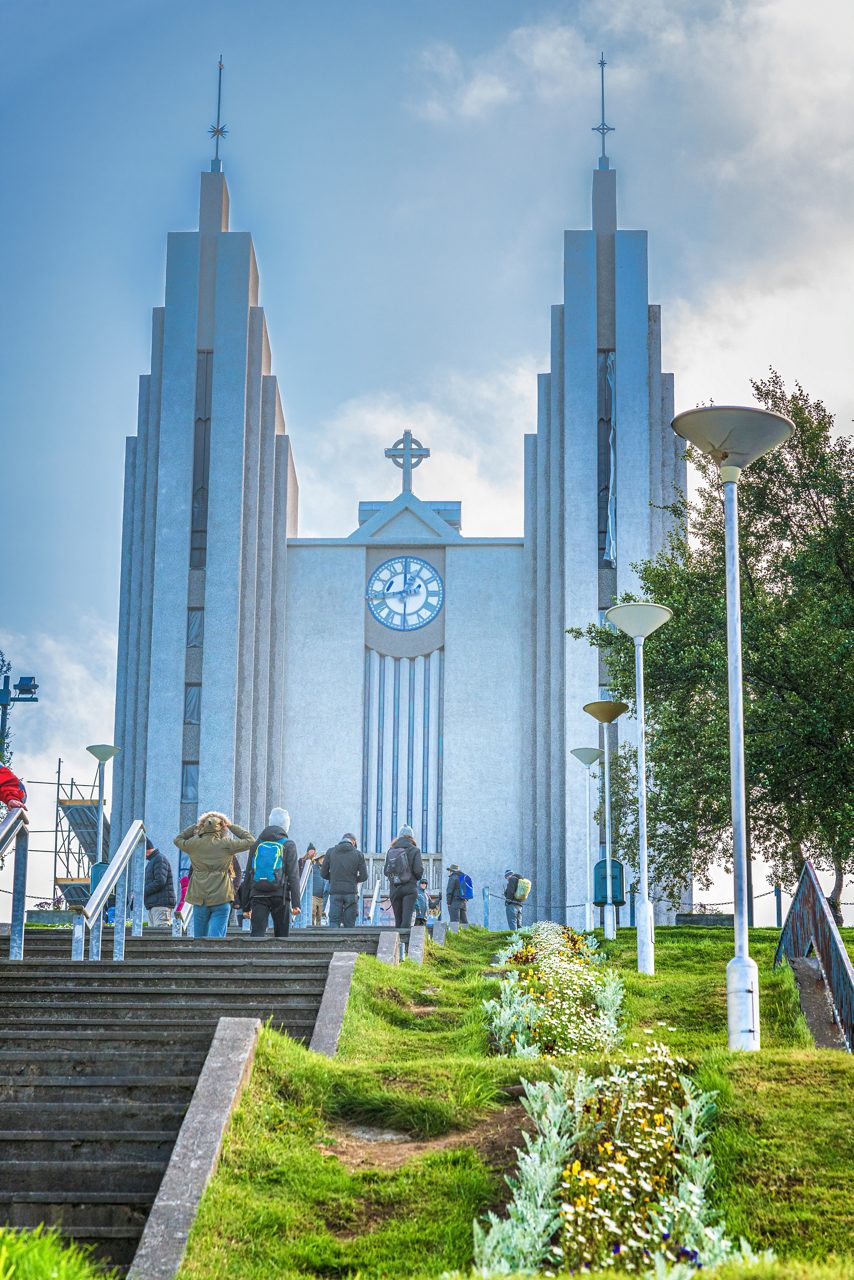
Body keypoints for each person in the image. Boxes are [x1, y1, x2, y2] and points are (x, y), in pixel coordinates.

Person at [173, 811, 255, 938]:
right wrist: (231, 826)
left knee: (199, 937)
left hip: (200, 897)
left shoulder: (193, 844)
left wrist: (196, 826)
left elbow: (178, 839)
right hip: (222, 896)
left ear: (203, 827)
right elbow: (250, 840)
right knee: (216, 938)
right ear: (222, 828)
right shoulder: (226, 844)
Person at [239, 807, 301, 938]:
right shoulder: (288, 844)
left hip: (258, 894)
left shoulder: (257, 844)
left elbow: (249, 873)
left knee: (257, 933)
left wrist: (245, 906)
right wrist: (296, 904)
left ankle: (254, 957)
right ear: (286, 825)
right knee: (282, 934)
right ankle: (281, 957)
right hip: (281, 895)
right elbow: (294, 875)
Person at [321, 832, 367, 927]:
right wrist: (354, 880)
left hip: (335, 892)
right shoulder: (358, 854)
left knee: (334, 921)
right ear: (353, 842)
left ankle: (332, 941)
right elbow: (364, 876)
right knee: (350, 923)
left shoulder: (330, 852)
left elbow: (323, 873)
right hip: (351, 892)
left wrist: (334, 878)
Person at [383, 825, 424, 928]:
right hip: (409, 889)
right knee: (406, 920)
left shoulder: (391, 850)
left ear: (399, 836)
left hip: (395, 889)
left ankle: (396, 942)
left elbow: (385, 871)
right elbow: (418, 872)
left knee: (398, 921)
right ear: (411, 836)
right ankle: (404, 943)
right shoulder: (415, 850)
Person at [143, 838, 176, 927]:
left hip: (161, 906)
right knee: (155, 936)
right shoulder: (154, 860)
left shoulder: (159, 859)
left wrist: (142, 892)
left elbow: (160, 881)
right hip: (156, 906)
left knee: (161, 935)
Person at [308, 845, 327, 926]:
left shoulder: (328, 869)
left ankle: (320, 932)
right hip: (313, 895)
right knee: (312, 913)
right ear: (318, 859)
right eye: (322, 858)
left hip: (324, 896)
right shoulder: (313, 868)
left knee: (320, 915)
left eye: (325, 859)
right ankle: (311, 928)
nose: (323, 860)